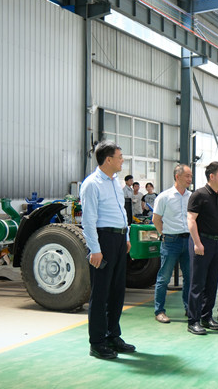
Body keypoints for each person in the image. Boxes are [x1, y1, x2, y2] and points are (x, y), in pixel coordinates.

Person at [80, 140, 136, 359]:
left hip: (119, 239)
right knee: (101, 293)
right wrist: (95, 249)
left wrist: (126, 236)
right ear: (108, 159)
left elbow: (121, 212)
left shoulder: (115, 182)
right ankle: (97, 342)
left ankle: (113, 335)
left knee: (117, 291)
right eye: (120, 157)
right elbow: (88, 219)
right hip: (103, 240)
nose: (122, 160)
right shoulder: (92, 184)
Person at [186, 161, 218, 335]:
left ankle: (206, 316)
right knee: (198, 283)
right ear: (211, 176)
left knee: (212, 283)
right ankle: (193, 320)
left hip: (216, 243)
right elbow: (191, 220)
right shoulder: (199, 195)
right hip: (202, 242)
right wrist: (197, 243)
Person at [152, 165, 192, 324]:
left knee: (189, 277)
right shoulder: (164, 197)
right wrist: (164, 234)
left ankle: (189, 308)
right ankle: (159, 311)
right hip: (170, 241)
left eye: (191, 176)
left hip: (188, 240)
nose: (190, 179)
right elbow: (156, 219)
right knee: (164, 277)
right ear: (177, 176)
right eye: (187, 176)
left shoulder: (191, 197)